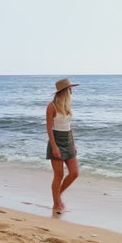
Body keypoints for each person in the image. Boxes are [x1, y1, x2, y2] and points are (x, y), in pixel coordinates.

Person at [46, 78, 79, 213]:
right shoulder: (51, 106)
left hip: (68, 142)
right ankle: (56, 203)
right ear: (64, 90)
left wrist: (74, 144)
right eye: (70, 88)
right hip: (57, 141)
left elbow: (69, 127)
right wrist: (54, 147)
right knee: (58, 175)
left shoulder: (67, 105)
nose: (71, 91)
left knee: (74, 173)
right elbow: (49, 128)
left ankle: (58, 195)